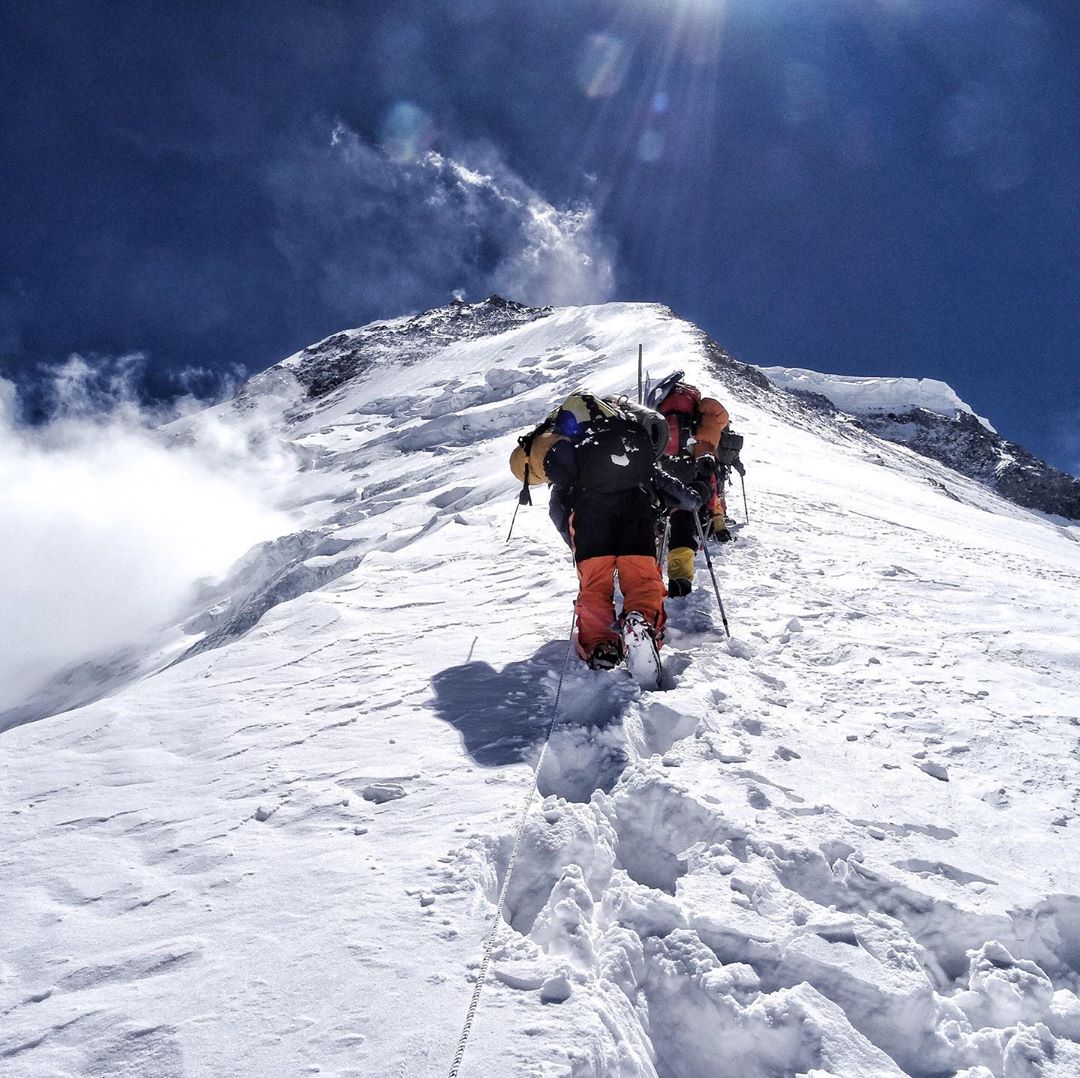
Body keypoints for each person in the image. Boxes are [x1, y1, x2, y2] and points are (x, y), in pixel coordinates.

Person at [510, 391, 707, 686]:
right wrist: (698, 496)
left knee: (595, 585)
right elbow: (676, 491)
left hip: (589, 517)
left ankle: (601, 645)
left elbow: (557, 507)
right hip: (637, 511)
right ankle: (642, 626)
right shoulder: (631, 441)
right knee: (642, 580)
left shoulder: (577, 445)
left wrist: (571, 536)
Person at [646, 371, 735, 596]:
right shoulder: (700, 415)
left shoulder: (662, 409)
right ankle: (680, 575)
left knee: (659, 514)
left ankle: (644, 571)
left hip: (664, 465)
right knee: (684, 518)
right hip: (693, 468)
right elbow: (717, 424)